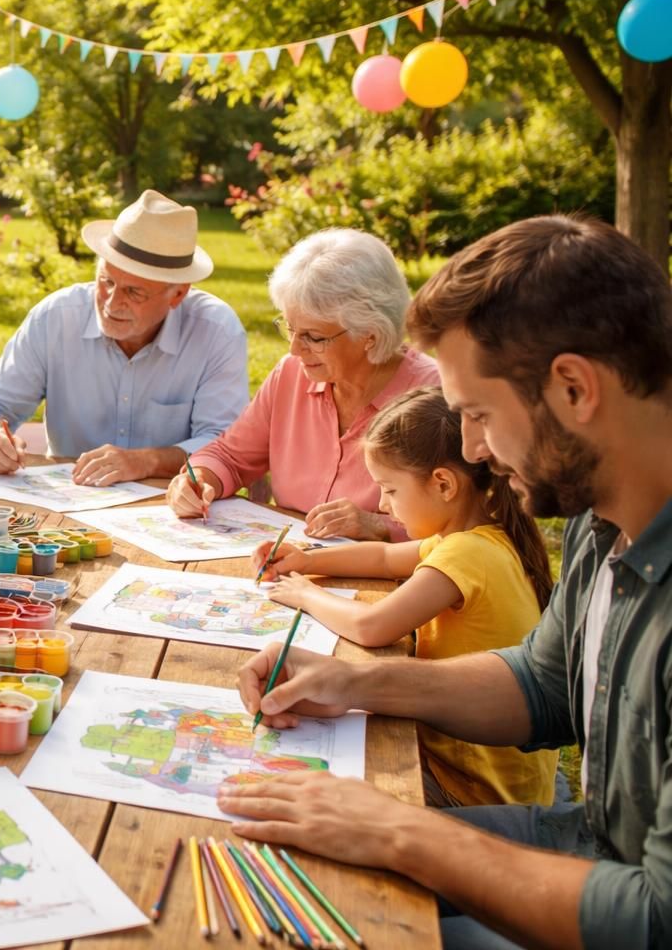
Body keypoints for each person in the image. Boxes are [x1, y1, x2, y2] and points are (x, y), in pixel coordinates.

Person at [219, 215, 672, 950]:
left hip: (617, 903)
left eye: (479, 415)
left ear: (574, 389)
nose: (469, 452)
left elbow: (654, 919)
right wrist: (351, 683)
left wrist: (403, 831)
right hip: (581, 840)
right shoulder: (603, 510)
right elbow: (546, 683)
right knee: (277, 860)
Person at [255, 386, 558, 808]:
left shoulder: (468, 553)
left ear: (443, 484)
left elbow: (372, 626)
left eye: (390, 490)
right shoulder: (475, 534)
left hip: (475, 789)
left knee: (321, 794)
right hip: (471, 766)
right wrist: (305, 561)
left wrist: (304, 594)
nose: (381, 503)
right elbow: (383, 558)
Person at [0, 190, 248, 484]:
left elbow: (224, 446)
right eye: (106, 281)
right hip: (69, 505)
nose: (111, 302)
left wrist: (146, 461)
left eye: (134, 292)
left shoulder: (215, 331)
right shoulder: (57, 316)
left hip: (171, 506)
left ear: (178, 294)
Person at [168, 228, 438, 540]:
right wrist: (201, 479)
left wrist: (376, 525)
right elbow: (231, 456)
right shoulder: (292, 374)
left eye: (313, 336)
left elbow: (465, 526)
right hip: (290, 567)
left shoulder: (431, 396)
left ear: (370, 334)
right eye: (291, 329)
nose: (295, 349)